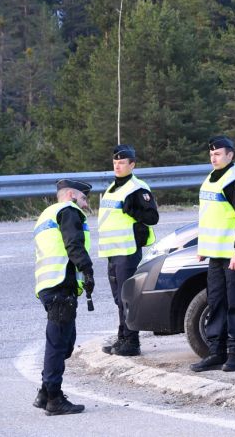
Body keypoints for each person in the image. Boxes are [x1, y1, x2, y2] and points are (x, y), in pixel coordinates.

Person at [190, 136, 235, 373]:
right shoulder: (212, 178)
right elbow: (210, 216)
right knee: (216, 302)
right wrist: (202, 248)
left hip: (233, 256)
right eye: (211, 154)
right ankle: (216, 352)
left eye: (218, 154)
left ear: (230, 155)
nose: (213, 157)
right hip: (215, 255)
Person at [33, 179, 95, 415]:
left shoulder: (47, 214)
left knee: (65, 342)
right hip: (60, 285)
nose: (85, 203)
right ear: (71, 194)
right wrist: (87, 270)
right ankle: (54, 398)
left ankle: (44, 392)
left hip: (50, 285)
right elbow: (74, 244)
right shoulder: (68, 211)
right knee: (59, 344)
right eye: (84, 198)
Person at [98, 144, 159, 356]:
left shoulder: (137, 188)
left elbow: (153, 218)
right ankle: (122, 337)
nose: (117, 165)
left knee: (127, 297)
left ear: (132, 164)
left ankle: (132, 342)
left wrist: (133, 211)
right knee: (119, 298)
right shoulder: (112, 188)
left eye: (122, 162)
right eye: (115, 162)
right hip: (113, 252)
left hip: (127, 251)